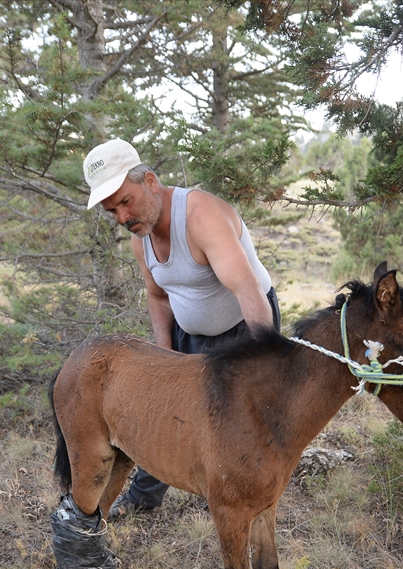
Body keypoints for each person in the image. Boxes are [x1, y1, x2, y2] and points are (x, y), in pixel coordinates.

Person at [83, 138, 282, 519]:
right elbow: (158, 298)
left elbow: (246, 287)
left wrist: (265, 356)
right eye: (112, 211)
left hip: (244, 325)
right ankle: (144, 498)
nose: (123, 217)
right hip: (189, 335)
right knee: (162, 416)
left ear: (151, 181)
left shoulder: (201, 216)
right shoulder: (141, 239)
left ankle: (248, 497)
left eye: (126, 201)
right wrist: (164, 357)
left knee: (245, 419)